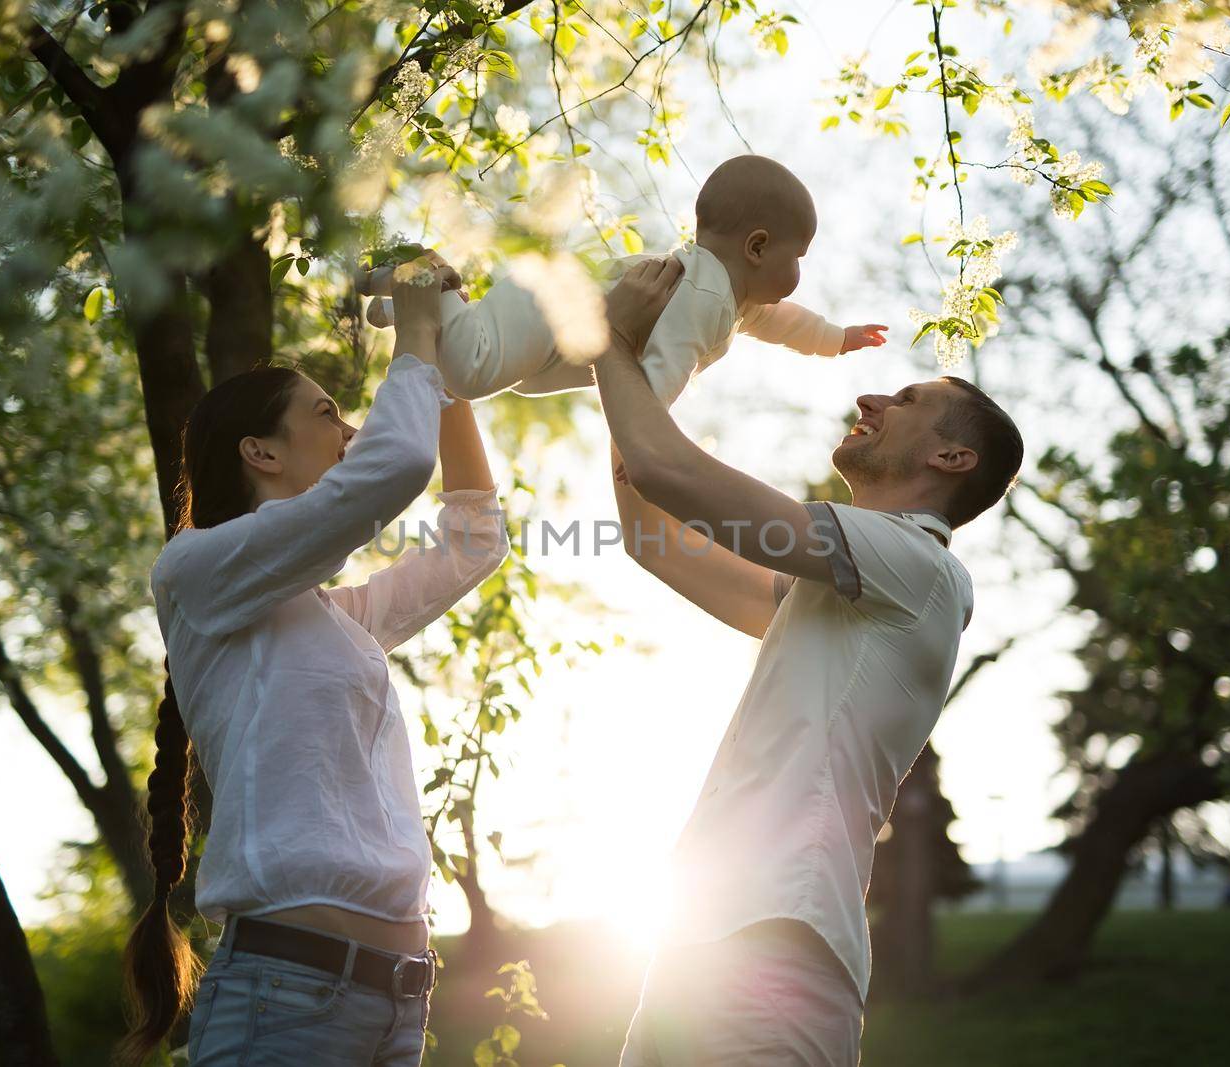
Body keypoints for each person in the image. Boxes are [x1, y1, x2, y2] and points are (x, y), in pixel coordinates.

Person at [596, 258, 1024, 1065]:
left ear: (953, 461)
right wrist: (648, 360)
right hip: (695, 952)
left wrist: (609, 338)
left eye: (907, 402)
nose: (870, 398)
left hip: (775, 953)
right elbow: (651, 531)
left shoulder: (920, 568)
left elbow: (665, 470)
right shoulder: (828, 593)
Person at [116, 262, 509, 1067]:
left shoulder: (341, 620)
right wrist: (415, 335)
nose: (351, 430)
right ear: (259, 450)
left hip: (398, 1001)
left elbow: (475, 540)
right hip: (285, 998)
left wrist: (451, 368)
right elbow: (394, 467)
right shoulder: (194, 571)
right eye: (328, 412)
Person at [360, 155, 887, 404]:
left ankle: (412, 306)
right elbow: (664, 372)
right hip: (552, 308)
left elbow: (782, 322)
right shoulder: (705, 296)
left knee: (455, 377)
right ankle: (418, 279)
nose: (800, 274)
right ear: (757, 247)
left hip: (559, 337)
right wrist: (644, 446)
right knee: (469, 376)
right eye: (800, 256)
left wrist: (835, 338)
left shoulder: (737, 300)